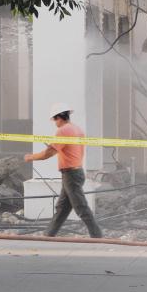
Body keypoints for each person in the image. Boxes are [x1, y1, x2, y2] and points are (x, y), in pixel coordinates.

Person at [25, 102, 103, 238]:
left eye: (55, 120)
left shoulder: (63, 130)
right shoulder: (77, 129)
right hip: (76, 172)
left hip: (71, 174)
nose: (55, 123)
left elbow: (48, 153)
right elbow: (69, 150)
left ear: (59, 117)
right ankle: (49, 234)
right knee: (62, 208)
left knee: (80, 207)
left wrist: (30, 157)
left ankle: (97, 235)